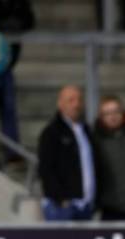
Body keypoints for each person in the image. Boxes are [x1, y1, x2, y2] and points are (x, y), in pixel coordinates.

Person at [38, 86, 96, 221]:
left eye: (79, 100)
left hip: (84, 206)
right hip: (63, 207)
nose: (76, 104)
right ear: (60, 104)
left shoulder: (86, 131)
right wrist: (61, 199)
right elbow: (45, 169)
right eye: (71, 100)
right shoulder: (51, 133)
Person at [0, 0, 35, 165]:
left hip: (5, 63)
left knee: (8, 109)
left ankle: (12, 152)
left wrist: (10, 23)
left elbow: (28, 20)